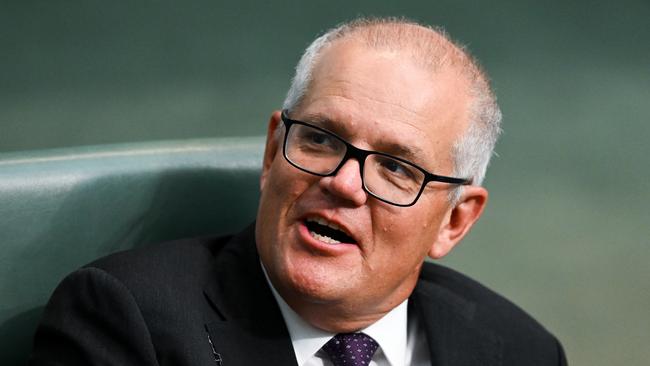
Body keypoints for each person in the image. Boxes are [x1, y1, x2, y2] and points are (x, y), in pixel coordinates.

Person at [30, 17, 567, 366]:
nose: (342, 181)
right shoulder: (126, 321)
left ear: (454, 220)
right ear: (271, 152)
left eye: (396, 168)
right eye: (319, 139)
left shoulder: (521, 351)